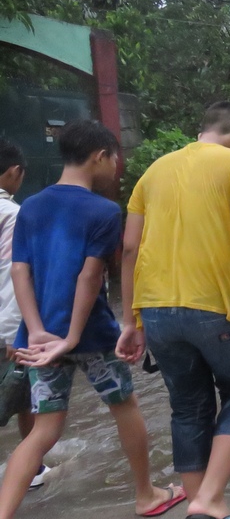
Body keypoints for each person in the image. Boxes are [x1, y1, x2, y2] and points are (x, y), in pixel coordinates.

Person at [0, 120, 186, 519]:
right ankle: (146, 495)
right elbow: (88, 277)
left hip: (40, 340)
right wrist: (70, 338)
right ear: (99, 156)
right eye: (114, 159)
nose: (116, 167)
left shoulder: (31, 206)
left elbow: (19, 271)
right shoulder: (103, 210)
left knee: (44, 431)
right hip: (92, 335)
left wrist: (36, 330)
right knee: (124, 406)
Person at [118, 101, 230, 519]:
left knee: (187, 407)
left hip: (156, 309)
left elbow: (129, 249)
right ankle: (209, 498)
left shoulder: (152, 172)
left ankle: (198, 503)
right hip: (215, 302)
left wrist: (131, 321)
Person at [0, 139, 51, 491]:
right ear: (15, 172)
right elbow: (12, 275)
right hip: (6, 325)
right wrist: (14, 333)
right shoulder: (13, 215)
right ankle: (33, 471)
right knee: (25, 399)